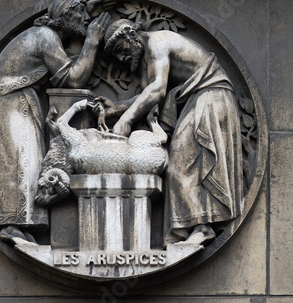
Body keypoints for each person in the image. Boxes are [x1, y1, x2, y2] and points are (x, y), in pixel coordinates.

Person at [0, 0, 113, 244]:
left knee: (28, 162)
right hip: (8, 101)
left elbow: (69, 61)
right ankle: (10, 222)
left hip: (19, 99)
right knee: (19, 161)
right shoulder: (45, 36)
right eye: (79, 13)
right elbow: (73, 79)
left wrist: (85, 20)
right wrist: (92, 40)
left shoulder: (49, 35)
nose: (85, 18)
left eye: (86, 14)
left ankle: (20, 222)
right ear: (64, 17)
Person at [103, 19, 243, 246]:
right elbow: (147, 94)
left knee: (181, 162)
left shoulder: (158, 42)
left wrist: (127, 119)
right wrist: (115, 109)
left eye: (120, 49)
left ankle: (201, 227)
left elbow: (157, 90)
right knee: (180, 162)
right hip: (197, 99)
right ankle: (191, 227)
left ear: (131, 36)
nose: (121, 58)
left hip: (211, 96)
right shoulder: (147, 59)